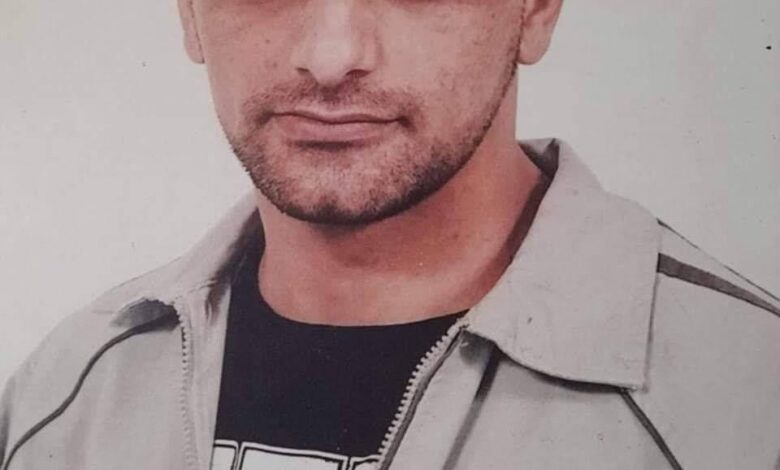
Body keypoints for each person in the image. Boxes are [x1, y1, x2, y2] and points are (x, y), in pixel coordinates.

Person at [1, 0, 778, 469]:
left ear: (537, 9)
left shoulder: (746, 402)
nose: (331, 56)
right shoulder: (64, 398)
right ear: (187, 12)